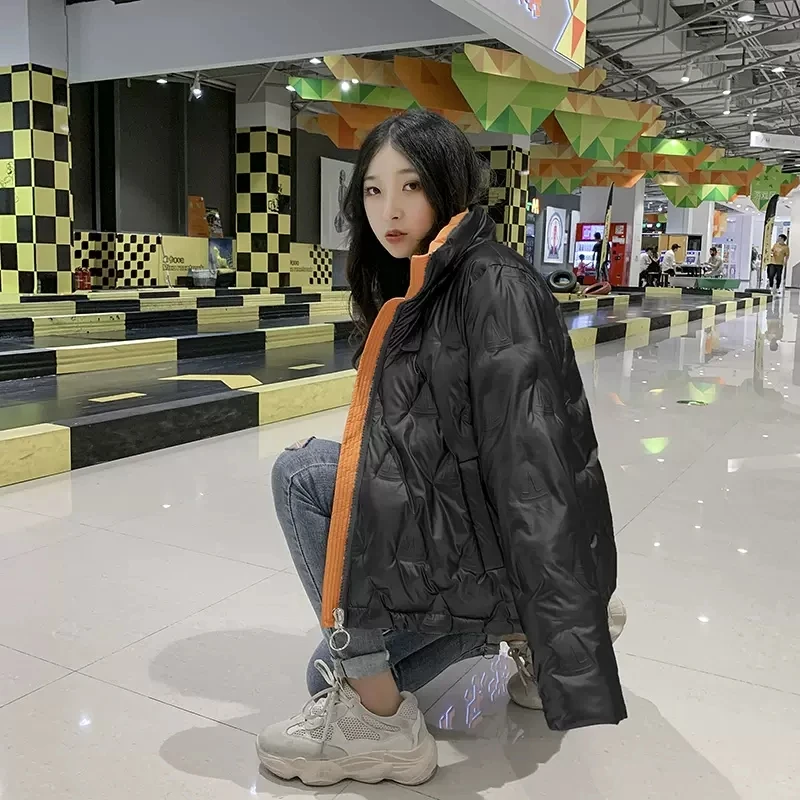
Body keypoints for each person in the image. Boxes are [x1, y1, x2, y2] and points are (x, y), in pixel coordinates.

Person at [257, 110, 627, 787]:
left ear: (447, 186)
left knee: (300, 477)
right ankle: (511, 631)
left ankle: (382, 725)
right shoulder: (427, 276)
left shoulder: (490, 284)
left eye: (411, 186)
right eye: (374, 190)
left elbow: (536, 463)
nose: (390, 210)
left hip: (490, 542)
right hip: (461, 533)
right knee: (325, 672)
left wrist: (562, 608)